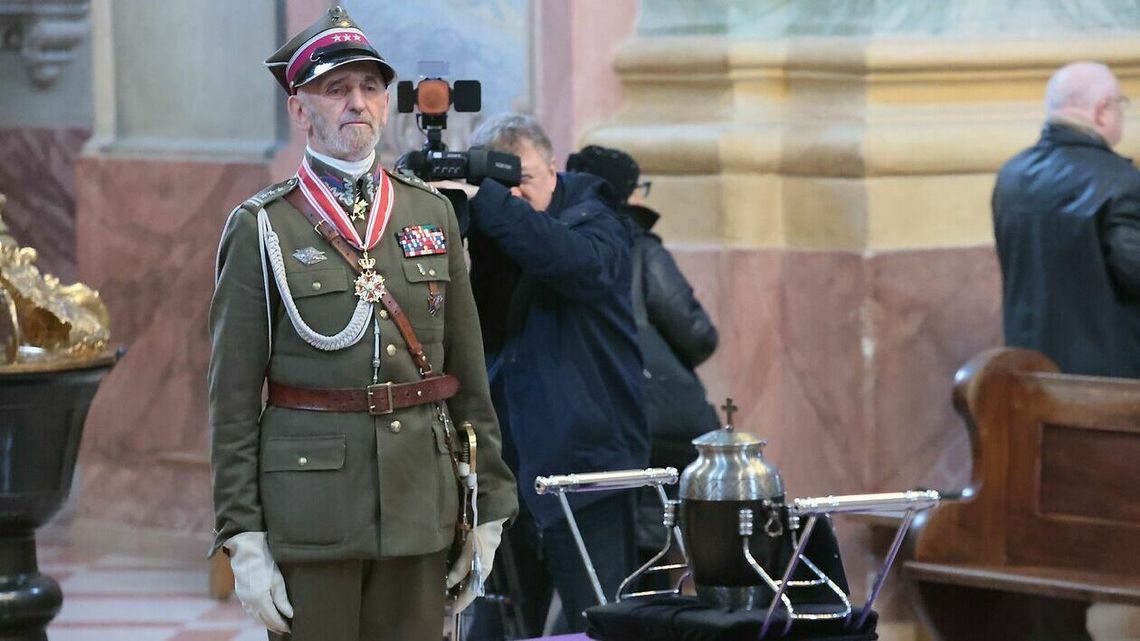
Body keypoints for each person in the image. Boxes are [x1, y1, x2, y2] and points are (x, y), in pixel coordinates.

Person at [207, 7, 517, 641]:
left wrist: (487, 508)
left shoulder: (430, 212)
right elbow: (233, 402)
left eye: (370, 87)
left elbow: (468, 374)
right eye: (336, 89)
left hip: (420, 506)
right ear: (300, 110)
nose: (357, 103)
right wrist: (244, 538)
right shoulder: (263, 227)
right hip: (312, 515)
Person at [434, 115, 649, 634]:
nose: (516, 196)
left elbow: (570, 261)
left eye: (523, 179)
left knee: (597, 625)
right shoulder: (499, 239)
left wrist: (488, 200)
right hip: (508, 478)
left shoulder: (597, 219)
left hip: (588, 477)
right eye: (502, 185)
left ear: (554, 168)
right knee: (497, 626)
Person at [993, 61, 1140, 378]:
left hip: (1031, 377)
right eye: (1120, 105)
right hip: (1109, 386)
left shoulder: (1012, 176)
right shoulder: (1120, 181)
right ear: (1102, 111)